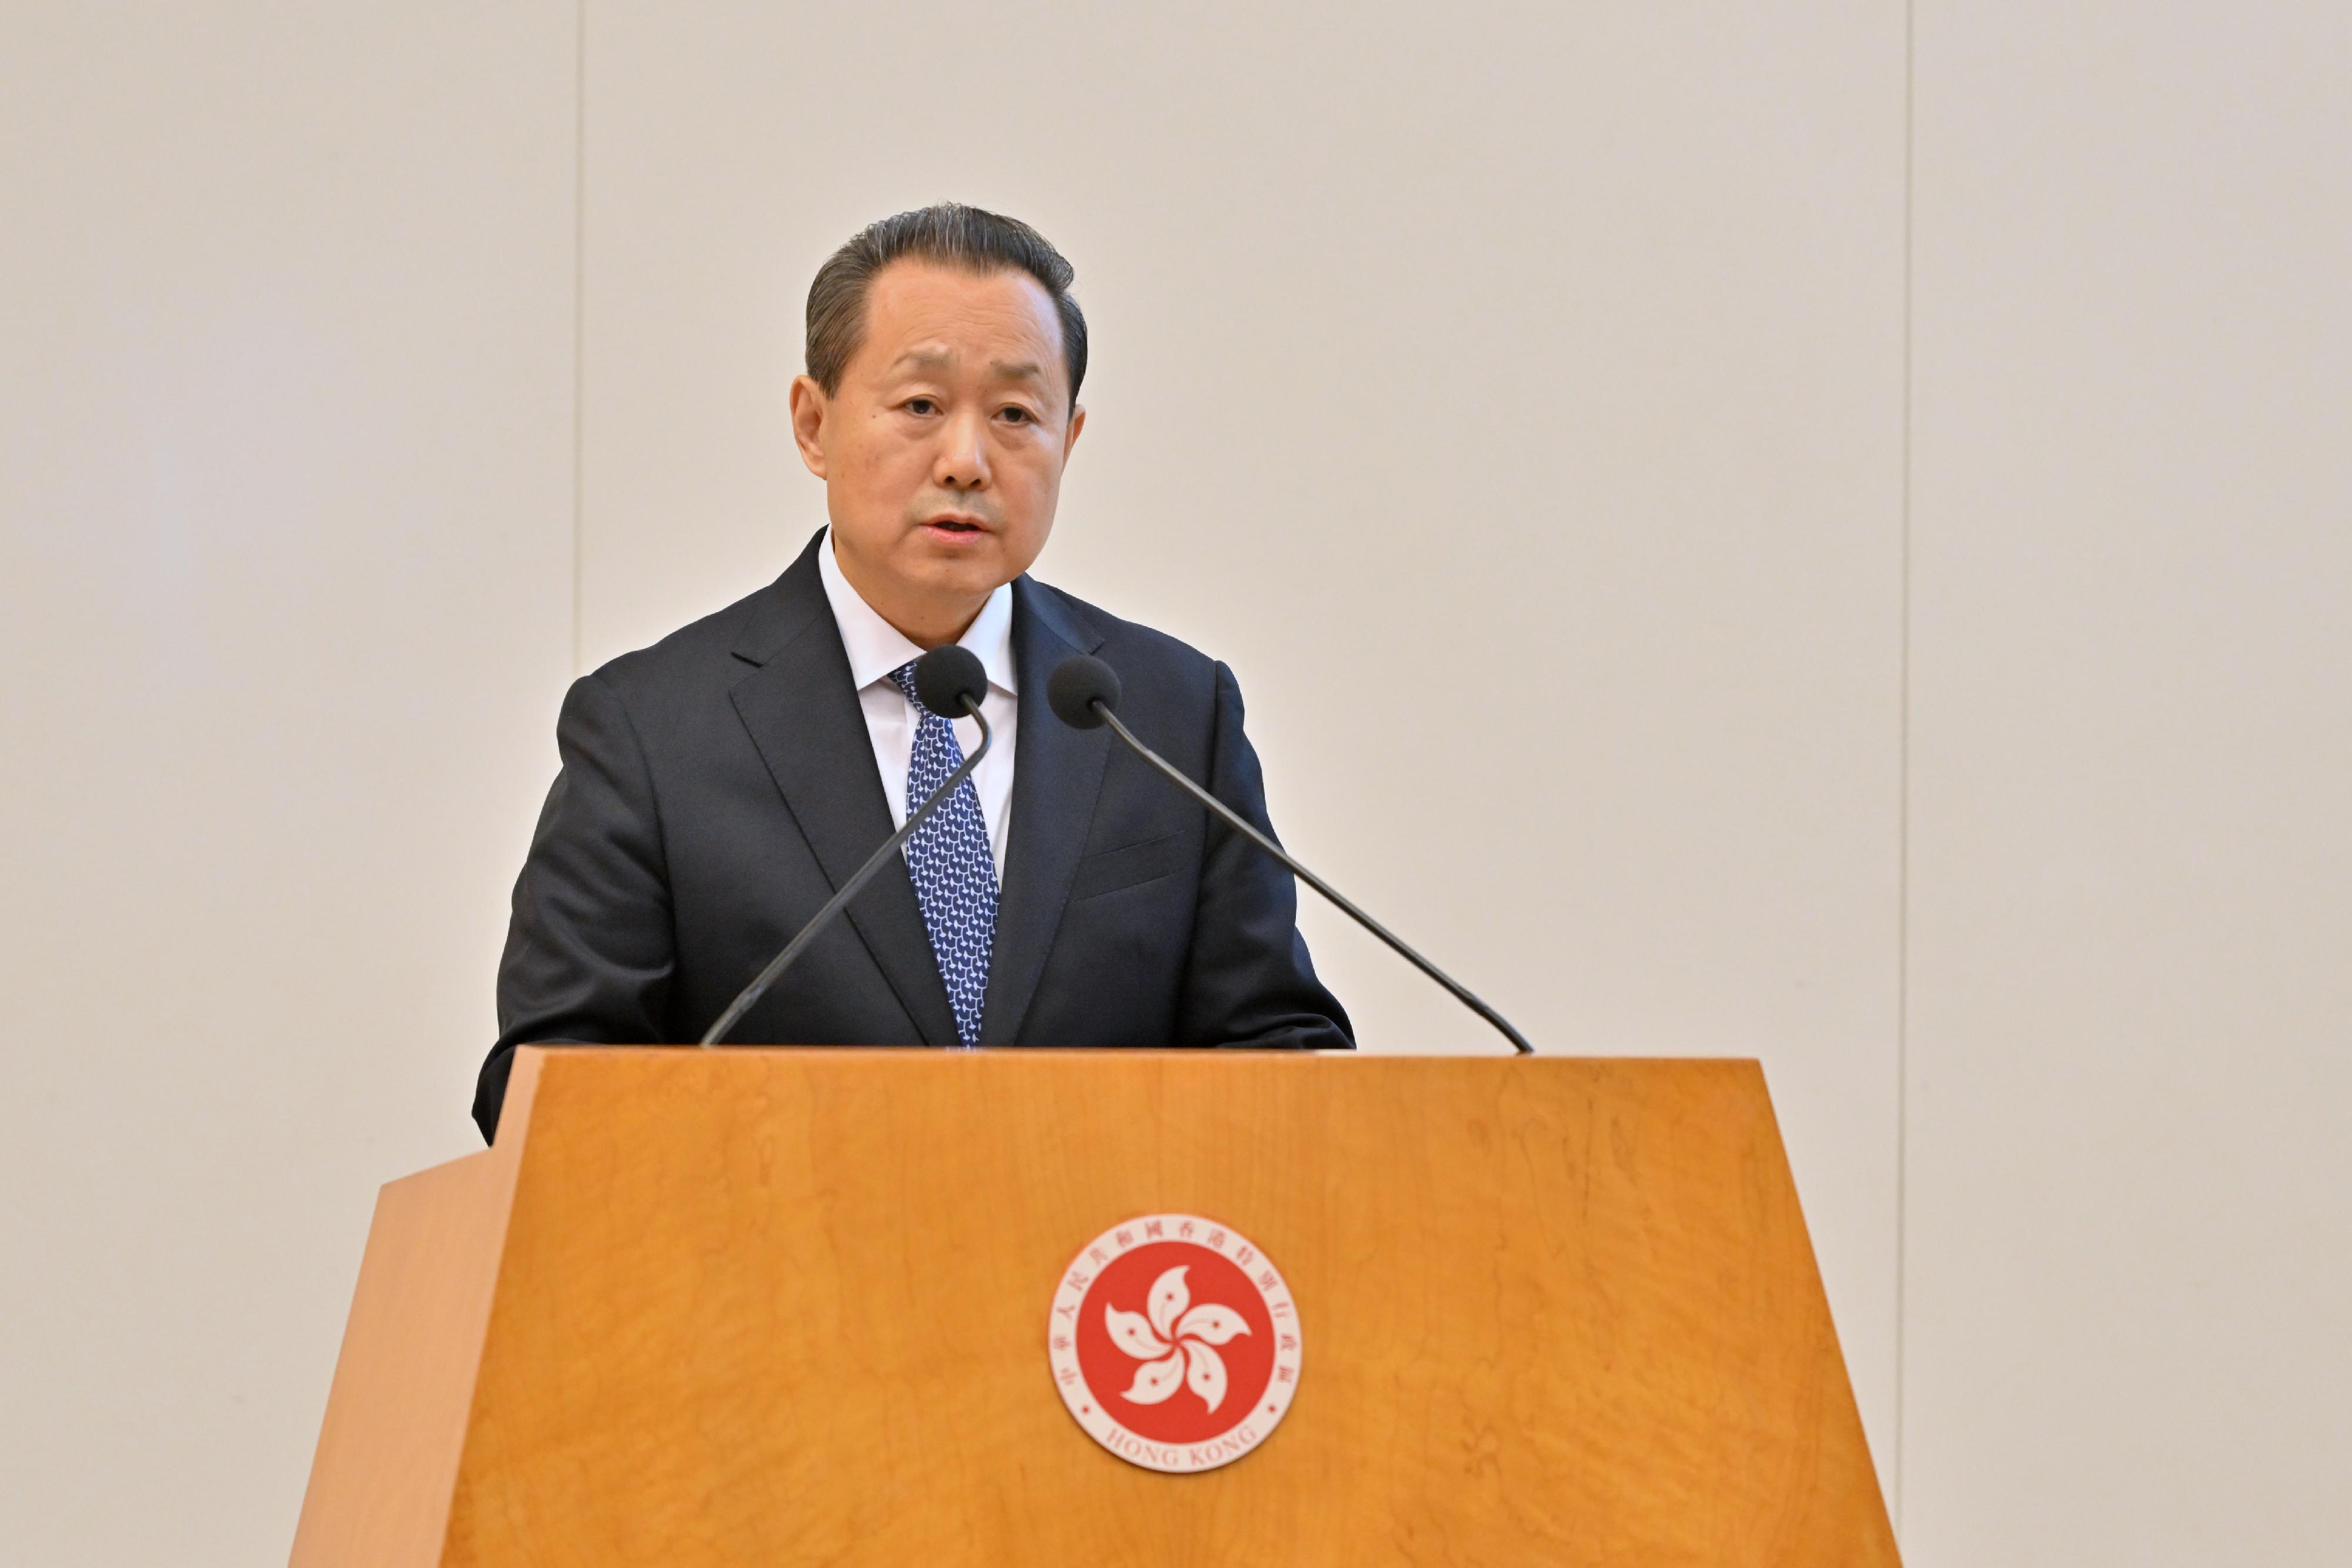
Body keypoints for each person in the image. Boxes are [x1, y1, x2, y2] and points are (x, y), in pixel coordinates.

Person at [475, 203, 1351, 1141]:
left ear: (1071, 440)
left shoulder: (1168, 714)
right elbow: (552, 1088)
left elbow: (1276, 1050)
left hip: (1092, 1277)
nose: (967, 462)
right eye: (921, 406)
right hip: (775, 1274)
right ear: (814, 425)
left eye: (1017, 414)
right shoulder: (652, 731)